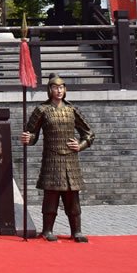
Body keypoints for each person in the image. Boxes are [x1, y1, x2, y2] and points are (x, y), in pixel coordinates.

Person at [20, 73, 95, 242]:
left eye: (61, 87)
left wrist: (80, 145)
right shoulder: (42, 110)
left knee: (72, 197)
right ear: (50, 90)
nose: (59, 90)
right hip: (51, 159)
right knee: (51, 196)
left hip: (70, 160)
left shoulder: (71, 110)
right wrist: (27, 138)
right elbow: (32, 134)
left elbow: (89, 133)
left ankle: (76, 231)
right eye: (55, 87)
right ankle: (47, 230)